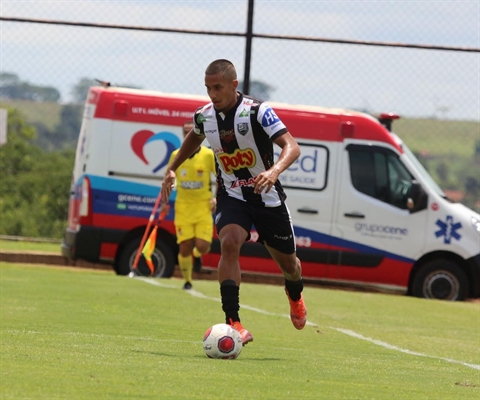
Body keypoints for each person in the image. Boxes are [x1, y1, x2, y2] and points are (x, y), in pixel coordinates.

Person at [161, 59, 307, 345]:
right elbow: (194, 136)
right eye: (207, 88)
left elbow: (292, 146)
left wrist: (274, 170)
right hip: (232, 195)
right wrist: (173, 167)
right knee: (228, 242)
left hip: (266, 196)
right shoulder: (204, 116)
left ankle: (295, 295)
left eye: (217, 88)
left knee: (290, 266)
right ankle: (234, 322)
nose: (212, 95)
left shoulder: (258, 111)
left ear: (233, 85)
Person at [161, 121, 217, 290]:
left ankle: (197, 254)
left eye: (191, 132)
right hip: (183, 206)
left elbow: (222, 178)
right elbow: (169, 179)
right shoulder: (176, 155)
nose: (188, 135)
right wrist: (165, 202)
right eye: (185, 132)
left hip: (202, 206)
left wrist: (217, 198)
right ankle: (187, 281)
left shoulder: (208, 155)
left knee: (202, 246)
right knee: (184, 247)